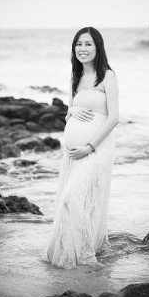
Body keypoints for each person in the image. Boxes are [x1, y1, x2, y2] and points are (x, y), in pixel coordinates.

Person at [41, 27, 119, 269]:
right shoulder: (75, 77)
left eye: (88, 44)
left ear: (98, 48)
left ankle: (86, 255)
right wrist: (72, 111)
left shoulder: (107, 76)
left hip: (97, 148)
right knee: (76, 199)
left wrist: (89, 146)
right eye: (78, 44)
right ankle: (81, 250)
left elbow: (114, 118)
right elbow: (68, 115)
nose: (82, 49)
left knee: (72, 197)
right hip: (74, 154)